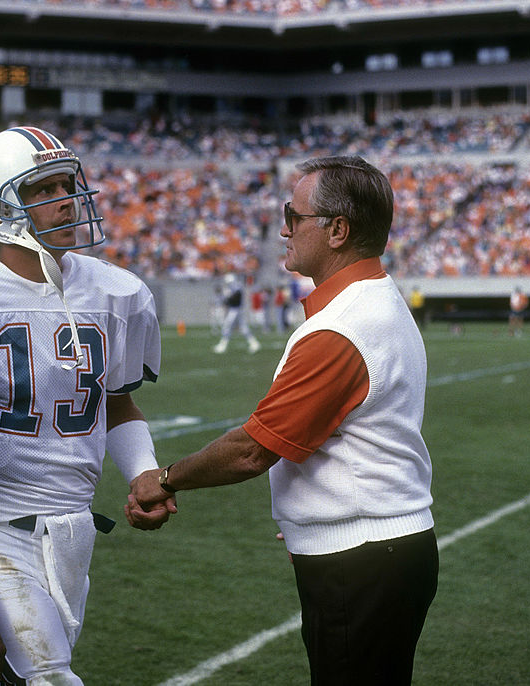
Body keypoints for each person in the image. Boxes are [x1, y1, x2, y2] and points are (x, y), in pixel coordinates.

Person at [127, 155, 438, 685]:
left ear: (337, 230)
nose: (284, 229)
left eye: (294, 216)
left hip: (362, 558)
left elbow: (253, 449)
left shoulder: (342, 327)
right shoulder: (372, 300)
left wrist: (164, 478)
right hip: (372, 548)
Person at [0, 125, 173, 686]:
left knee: (4, 673)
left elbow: (116, 401)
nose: (66, 200)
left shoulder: (116, 291)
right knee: (48, 675)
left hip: (73, 526)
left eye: (66, 184)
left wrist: (145, 473)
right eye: (42, 189)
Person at [213, 273, 261, 354]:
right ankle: (254, 343)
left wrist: (228, 298)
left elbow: (236, 298)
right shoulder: (234, 287)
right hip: (236, 309)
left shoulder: (236, 287)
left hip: (235, 310)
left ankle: (223, 345)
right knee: (243, 328)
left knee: (227, 326)